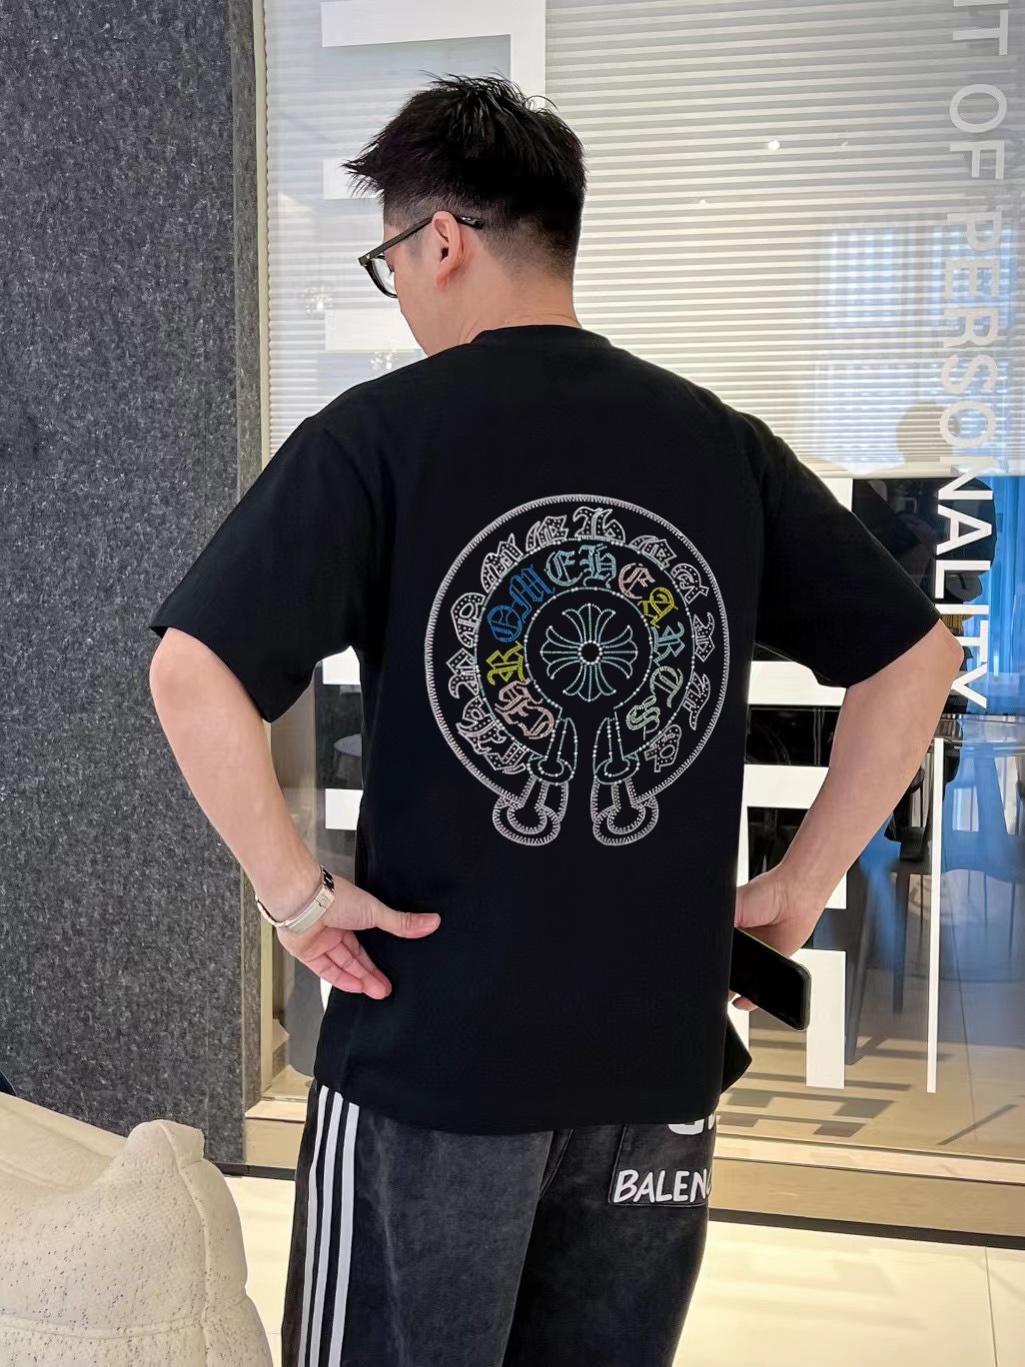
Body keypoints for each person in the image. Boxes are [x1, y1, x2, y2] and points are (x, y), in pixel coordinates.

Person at [147, 74, 964, 1367]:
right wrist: (801, 882)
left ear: (441, 241)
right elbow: (916, 659)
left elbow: (193, 672)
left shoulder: (377, 438)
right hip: (655, 1064)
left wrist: (294, 896)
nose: (398, 291)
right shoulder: (718, 443)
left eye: (388, 262)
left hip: (436, 1050)